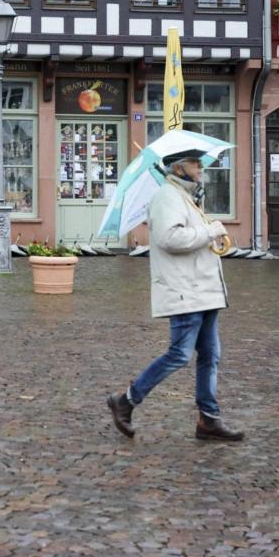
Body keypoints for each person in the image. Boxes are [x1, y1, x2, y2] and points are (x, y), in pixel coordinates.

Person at [107, 149, 245, 442]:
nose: (200, 168)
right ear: (179, 167)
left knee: (210, 355)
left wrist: (208, 232)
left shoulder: (186, 197)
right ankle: (126, 401)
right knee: (180, 354)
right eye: (195, 164)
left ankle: (209, 420)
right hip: (186, 290)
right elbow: (169, 239)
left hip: (204, 290)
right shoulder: (166, 197)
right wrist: (209, 232)